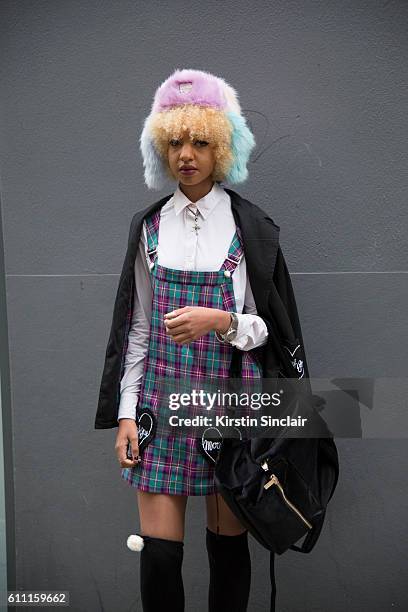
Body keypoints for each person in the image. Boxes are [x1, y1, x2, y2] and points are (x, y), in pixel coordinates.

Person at [95, 68, 312, 612]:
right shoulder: (148, 230)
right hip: (160, 407)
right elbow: (139, 332)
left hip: (226, 406)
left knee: (228, 555)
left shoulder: (248, 228)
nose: (186, 153)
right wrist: (126, 413)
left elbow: (267, 330)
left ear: (221, 146)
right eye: (174, 142)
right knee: (160, 561)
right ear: (159, 149)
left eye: (198, 141)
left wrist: (221, 321)